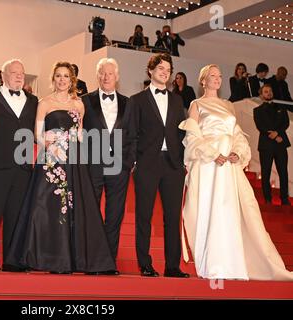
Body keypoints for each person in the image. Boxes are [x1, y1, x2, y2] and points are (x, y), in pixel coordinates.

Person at [179, 64, 293, 280]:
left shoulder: (228, 106)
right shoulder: (197, 104)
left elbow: (238, 135)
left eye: (219, 76)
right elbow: (192, 136)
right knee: (211, 209)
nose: (217, 79)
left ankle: (233, 262)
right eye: (212, 76)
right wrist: (212, 153)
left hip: (229, 165)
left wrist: (238, 153)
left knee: (232, 210)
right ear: (203, 80)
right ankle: (214, 262)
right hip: (209, 164)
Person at [5, 62, 116, 274]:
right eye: (58, 76)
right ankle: (48, 257)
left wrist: (78, 141)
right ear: (53, 79)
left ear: (72, 80)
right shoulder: (44, 103)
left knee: (76, 208)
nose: (62, 80)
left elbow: (80, 133)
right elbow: (37, 134)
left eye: (66, 76)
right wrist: (49, 141)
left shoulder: (79, 104)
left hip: (74, 161)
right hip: (51, 160)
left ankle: (74, 259)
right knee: (46, 208)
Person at [126, 53, 188, 278]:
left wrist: (182, 162)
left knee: (172, 217)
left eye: (168, 69)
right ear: (150, 70)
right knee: (144, 216)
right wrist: (133, 163)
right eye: (160, 68)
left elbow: (181, 133)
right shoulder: (137, 100)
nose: (165, 72)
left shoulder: (177, 100)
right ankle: (145, 264)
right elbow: (130, 133)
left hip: (172, 165)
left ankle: (172, 266)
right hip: (146, 164)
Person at [0, 59, 38, 272]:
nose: (18, 76)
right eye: (14, 72)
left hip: (23, 168)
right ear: (3, 75)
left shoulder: (33, 101)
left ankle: (11, 260)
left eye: (22, 73)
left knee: (15, 216)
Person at [82, 58, 130, 270]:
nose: (106, 77)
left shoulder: (129, 103)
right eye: (102, 73)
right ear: (97, 75)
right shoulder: (84, 101)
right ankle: (91, 259)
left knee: (115, 215)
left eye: (110, 73)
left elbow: (133, 135)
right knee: (90, 212)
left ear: (117, 77)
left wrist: (128, 162)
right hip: (92, 164)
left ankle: (109, 261)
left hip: (119, 165)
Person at [253, 84, 290, 206]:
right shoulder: (257, 110)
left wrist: (278, 133)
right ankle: (268, 199)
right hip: (266, 145)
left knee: (283, 172)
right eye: (266, 91)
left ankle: (284, 199)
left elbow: (285, 123)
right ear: (261, 95)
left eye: (270, 91)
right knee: (266, 172)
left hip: (280, 144)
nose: (268, 93)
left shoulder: (281, 108)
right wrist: (274, 135)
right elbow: (260, 126)